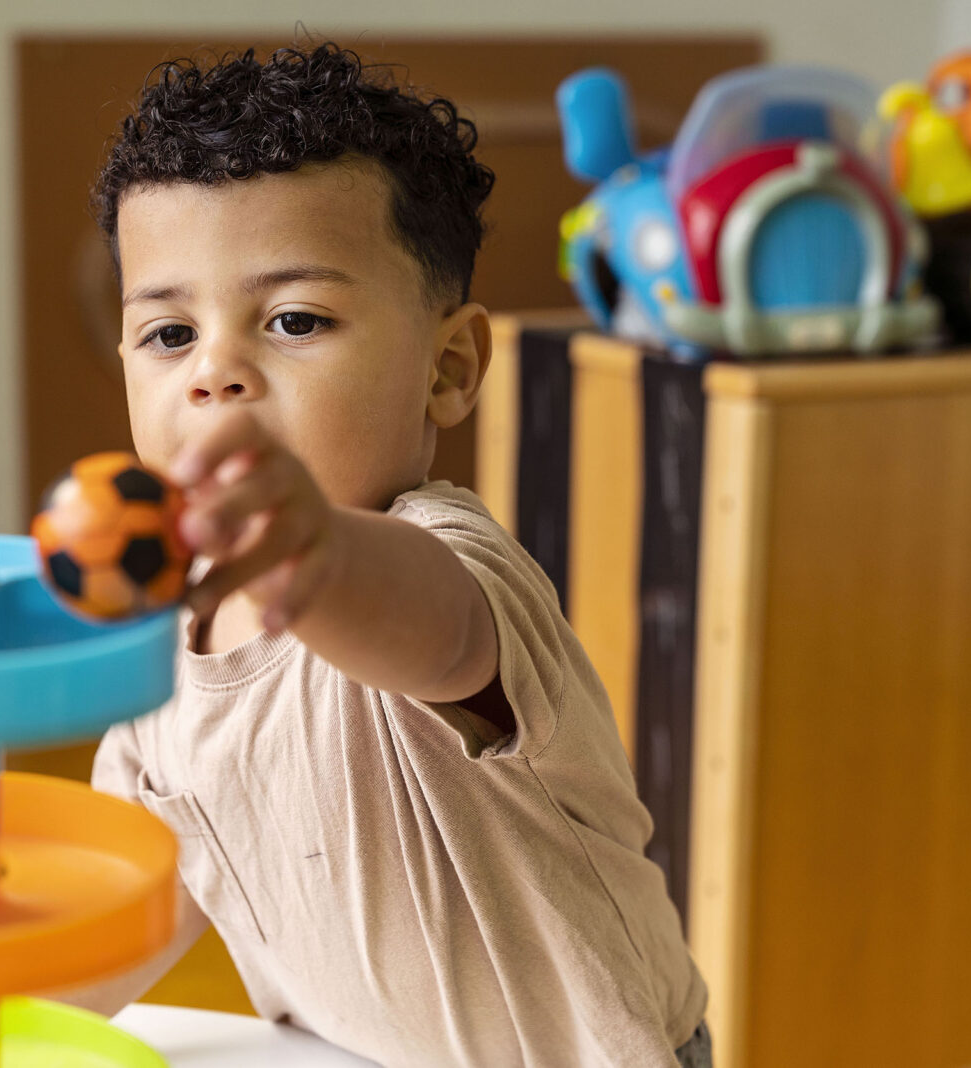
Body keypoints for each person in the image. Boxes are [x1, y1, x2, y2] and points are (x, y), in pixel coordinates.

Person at [73, 42, 711, 1067]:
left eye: (293, 320)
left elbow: (432, 634)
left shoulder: (452, 569)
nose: (215, 374)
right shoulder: (160, 642)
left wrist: (312, 550)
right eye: (168, 335)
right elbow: (134, 903)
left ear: (446, 370)